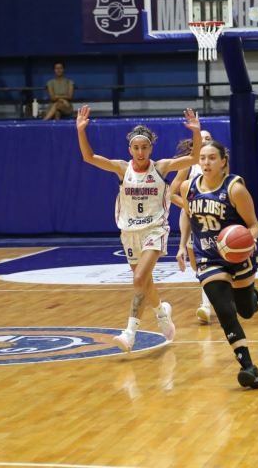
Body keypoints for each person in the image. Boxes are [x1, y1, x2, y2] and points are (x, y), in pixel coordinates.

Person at [75, 104, 202, 352]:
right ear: (130, 149)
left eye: (145, 147)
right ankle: (162, 313)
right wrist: (81, 130)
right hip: (129, 232)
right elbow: (89, 158)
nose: (141, 152)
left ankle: (129, 332)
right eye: (136, 147)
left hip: (155, 229)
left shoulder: (161, 167)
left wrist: (196, 132)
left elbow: (194, 157)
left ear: (151, 148)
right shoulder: (123, 168)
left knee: (138, 278)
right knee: (144, 283)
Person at [177, 140, 258, 389]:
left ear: (223, 161)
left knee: (245, 310)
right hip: (208, 258)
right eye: (202, 158)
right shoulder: (188, 187)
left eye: (212, 157)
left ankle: (253, 297)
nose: (206, 162)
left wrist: (249, 240)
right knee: (224, 311)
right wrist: (183, 245)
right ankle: (249, 367)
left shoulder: (235, 189)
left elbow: (254, 225)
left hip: (237, 257)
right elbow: (186, 214)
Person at [169, 130, 215, 323]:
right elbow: (171, 194)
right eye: (201, 138)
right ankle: (207, 302)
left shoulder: (217, 164)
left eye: (208, 139)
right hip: (190, 218)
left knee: (212, 262)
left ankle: (207, 305)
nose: (204, 141)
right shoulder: (187, 165)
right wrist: (189, 206)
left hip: (213, 218)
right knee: (198, 266)